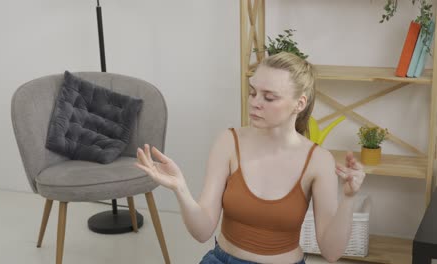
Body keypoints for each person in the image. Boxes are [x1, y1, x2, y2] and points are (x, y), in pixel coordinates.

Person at [134, 52, 366, 264]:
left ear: (300, 103)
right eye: (254, 92)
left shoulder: (318, 161)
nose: (255, 103)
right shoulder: (228, 142)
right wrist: (180, 188)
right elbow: (202, 231)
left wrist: (348, 199)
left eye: (269, 97)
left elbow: (331, 252)